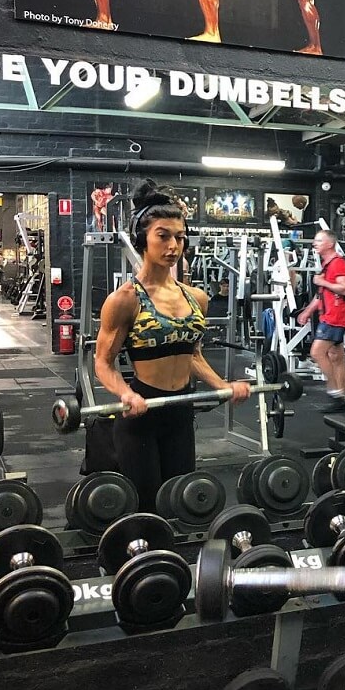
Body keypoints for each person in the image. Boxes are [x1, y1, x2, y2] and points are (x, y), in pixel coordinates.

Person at [94, 180, 250, 511]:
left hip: (181, 410)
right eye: (163, 236)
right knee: (148, 506)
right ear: (142, 240)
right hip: (142, 414)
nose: (173, 245)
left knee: (182, 500)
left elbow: (191, 354)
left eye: (179, 237)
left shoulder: (196, 298)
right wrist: (125, 394)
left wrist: (223, 386)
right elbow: (103, 363)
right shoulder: (124, 300)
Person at [296, 229, 345, 412]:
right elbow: (321, 295)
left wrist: (322, 282)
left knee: (317, 352)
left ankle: (334, 392)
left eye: (319, 240)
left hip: (335, 316)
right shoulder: (326, 264)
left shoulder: (338, 264)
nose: (315, 243)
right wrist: (306, 312)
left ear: (330, 243)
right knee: (336, 357)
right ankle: (343, 398)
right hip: (329, 314)